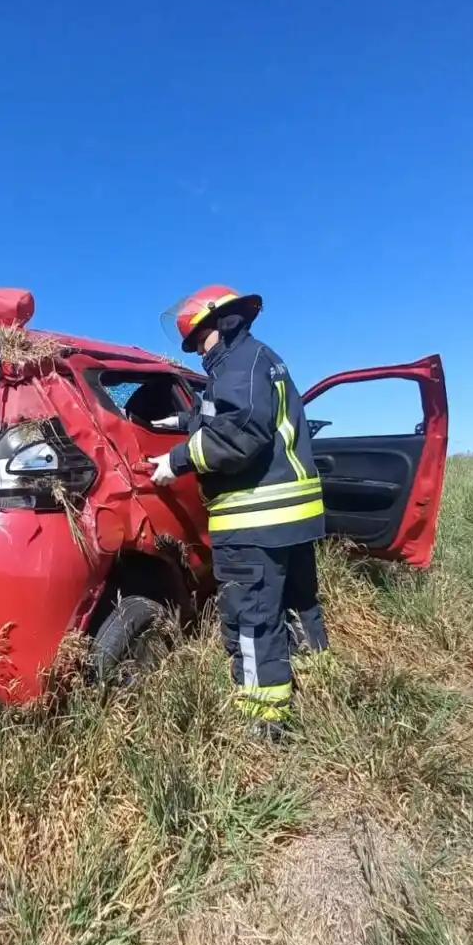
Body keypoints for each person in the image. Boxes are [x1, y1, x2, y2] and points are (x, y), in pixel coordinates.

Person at [148, 285, 328, 740]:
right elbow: (230, 415)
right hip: (289, 520)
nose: (197, 351)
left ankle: (264, 723)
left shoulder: (237, 363)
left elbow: (238, 435)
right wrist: (185, 422)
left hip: (255, 522)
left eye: (198, 342)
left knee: (252, 618)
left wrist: (177, 458)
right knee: (297, 604)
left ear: (214, 327)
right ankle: (322, 687)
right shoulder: (258, 359)